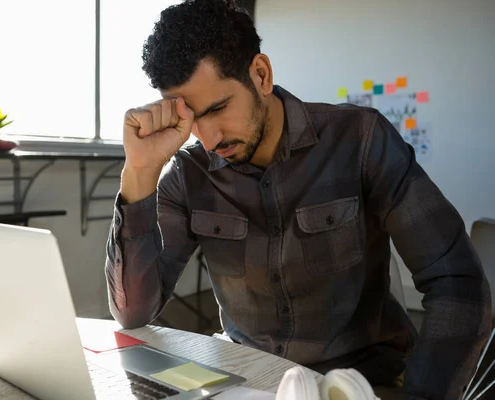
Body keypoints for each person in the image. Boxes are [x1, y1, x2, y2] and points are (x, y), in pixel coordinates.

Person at [105, 1, 491, 398]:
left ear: (260, 74)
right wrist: (139, 172)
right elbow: (134, 312)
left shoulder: (361, 141)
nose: (209, 138)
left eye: (219, 108)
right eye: (190, 119)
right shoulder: (188, 173)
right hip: (248, 380)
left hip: (361, 381)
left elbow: (458, 283)